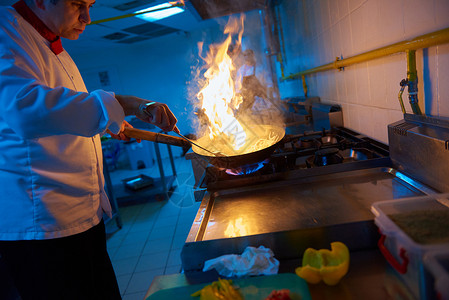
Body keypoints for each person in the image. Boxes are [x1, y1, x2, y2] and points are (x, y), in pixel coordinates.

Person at [0, 0, 179, 299]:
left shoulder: (50, 43)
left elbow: (63, 117)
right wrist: (125, 104)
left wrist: (113, 121)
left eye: (91, 4)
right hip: (43, 226)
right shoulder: (7, 31)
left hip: (79, 217)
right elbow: (25, 109)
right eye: (77, 4)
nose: (87, 17)